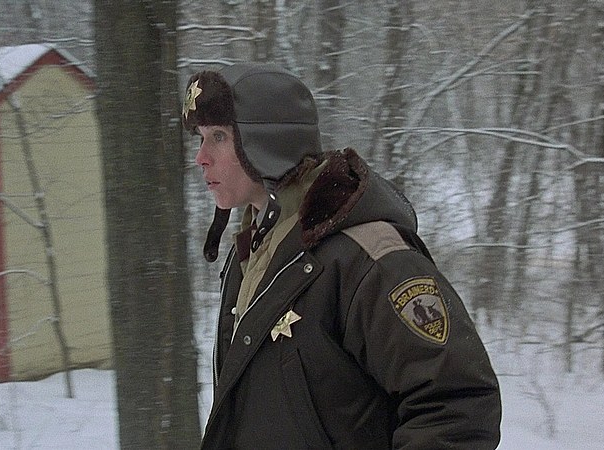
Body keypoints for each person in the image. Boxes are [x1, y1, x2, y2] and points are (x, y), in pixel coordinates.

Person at [183, 62, 501, 449]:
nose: (201, 157)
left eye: (218, 137)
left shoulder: (369, 260)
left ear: (266, 142)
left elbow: (458, 405)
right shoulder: (250, 253)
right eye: (201, 138)